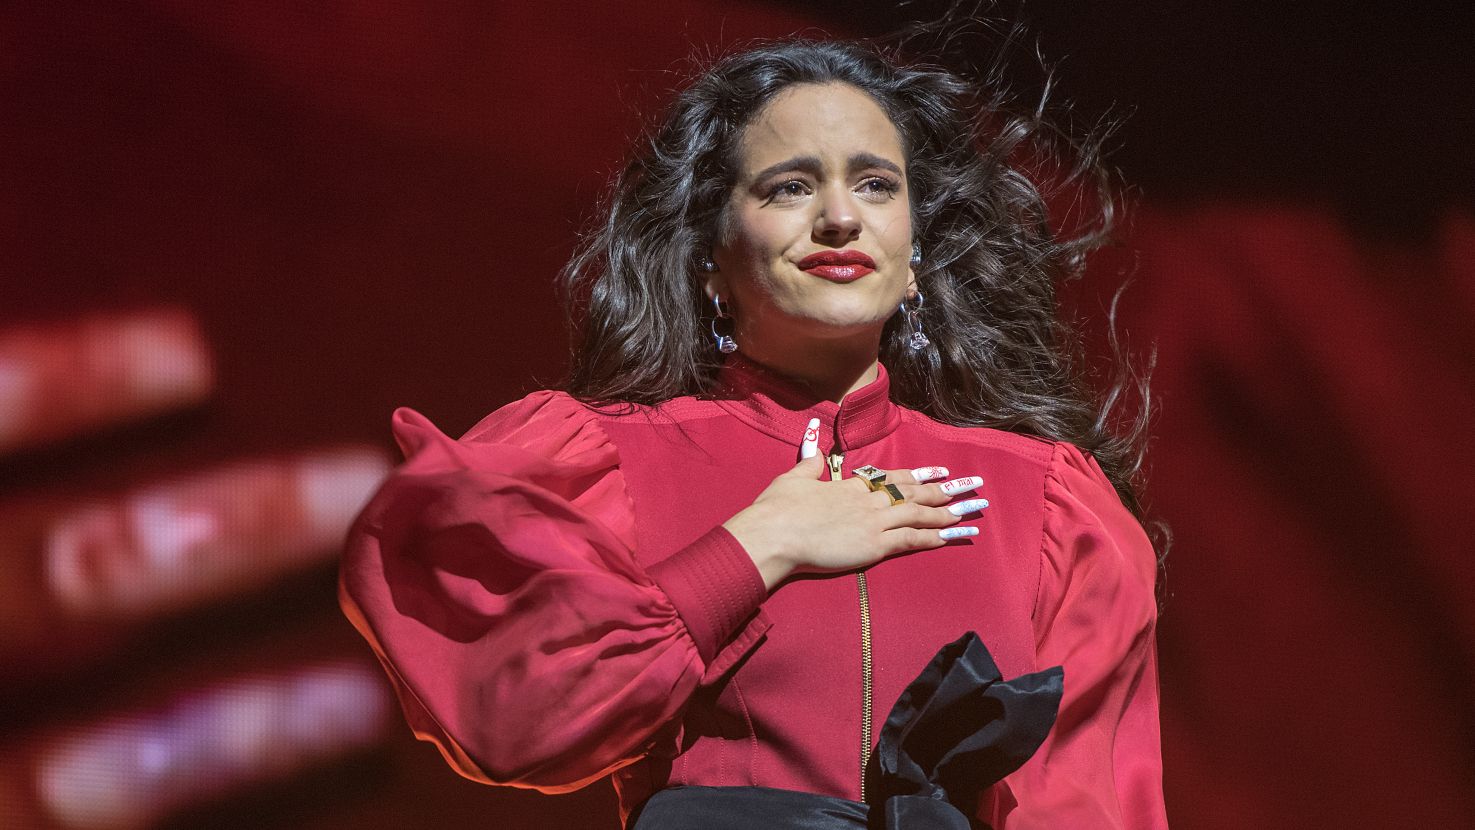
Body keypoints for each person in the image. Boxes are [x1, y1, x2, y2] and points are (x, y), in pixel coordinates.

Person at [340, 36, 1166, 829]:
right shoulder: (605, 461)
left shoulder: (1050, 502)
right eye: (789, 188)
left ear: (914, 254)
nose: (840, 217)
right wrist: (757, 544)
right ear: (710, 258)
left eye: (877, 185)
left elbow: (1088, 805)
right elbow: (513, 721)